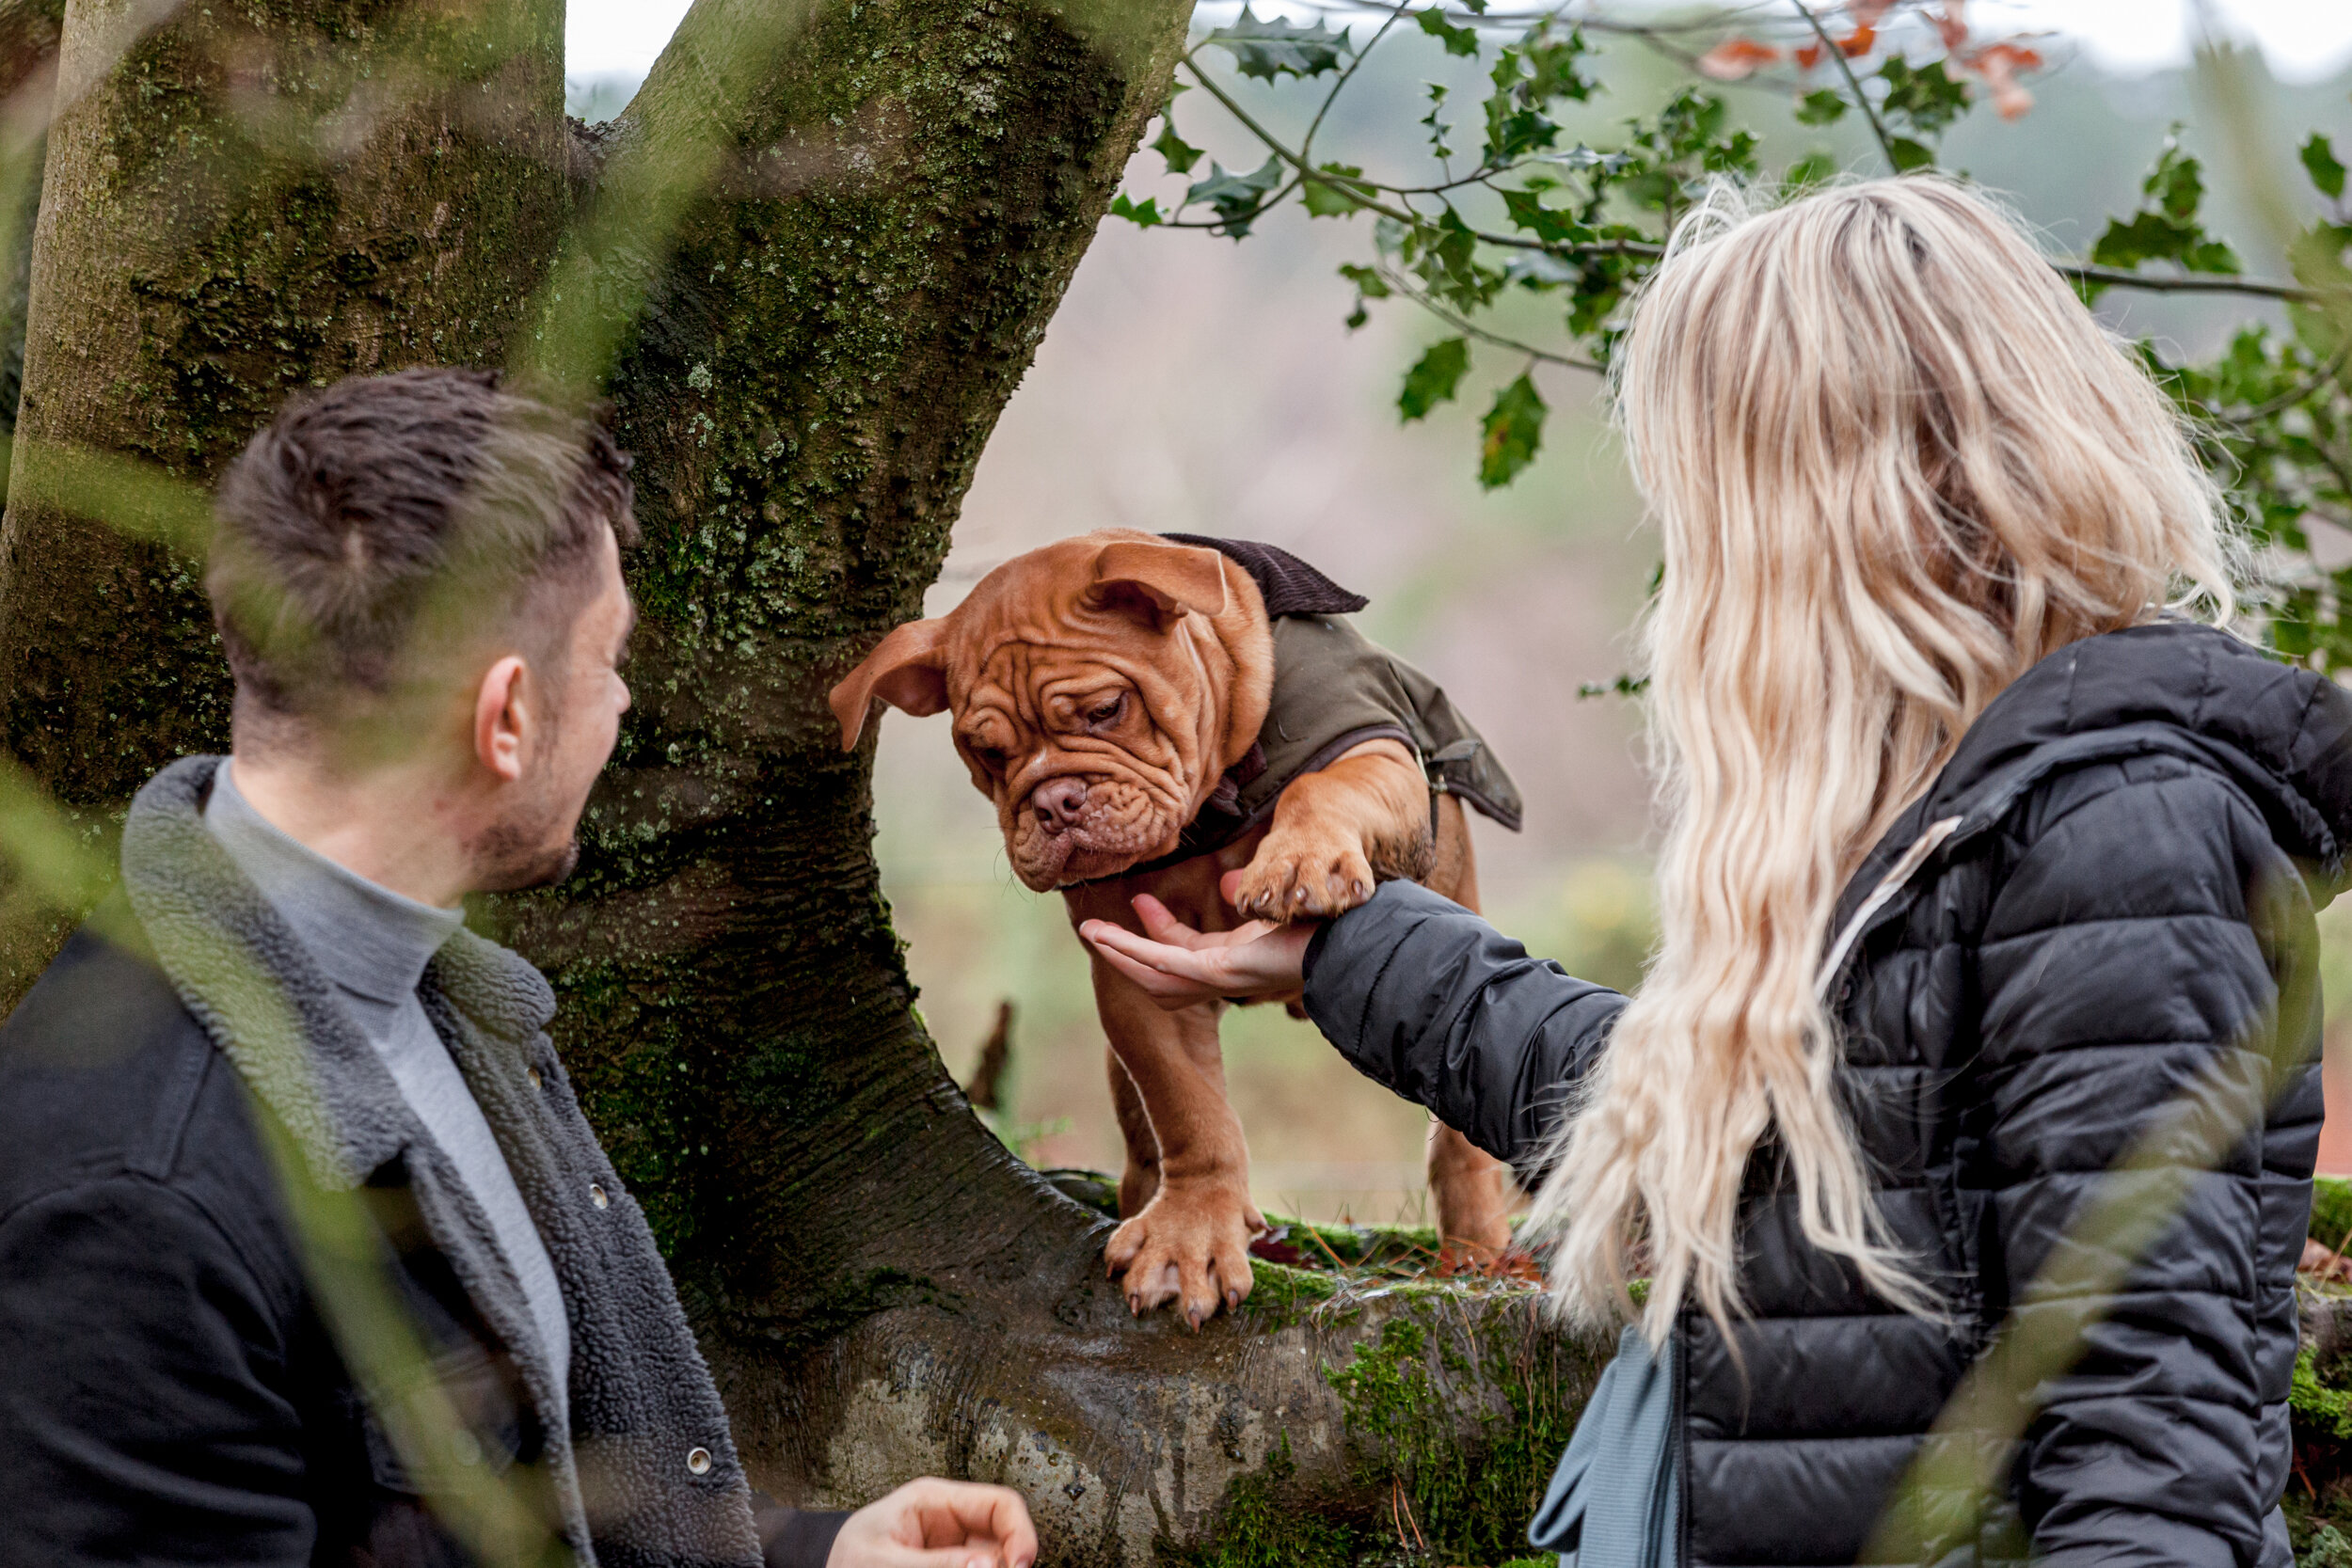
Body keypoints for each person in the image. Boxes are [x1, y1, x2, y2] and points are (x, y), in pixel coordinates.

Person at [1084, 176, 2352, 1568]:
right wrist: (1344, 949)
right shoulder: (1942, 806)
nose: (1687, 566)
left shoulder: (2117, 834)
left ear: (1821, 506)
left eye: (1703, 500)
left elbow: (2148, 1453)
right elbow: (1733, 1133)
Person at [0, 368, 1038, 1568]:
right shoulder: (132, 1208)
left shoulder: (439, 998)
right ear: (504, 718)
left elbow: (519, 1486)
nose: (620, 702)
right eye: (604, 663)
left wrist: (811, 1556)